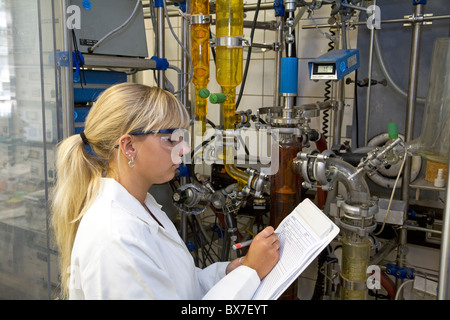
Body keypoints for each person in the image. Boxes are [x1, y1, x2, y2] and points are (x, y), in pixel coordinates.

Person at [51, 83, 280, 299]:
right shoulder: (115, 236)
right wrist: (250, 272)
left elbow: (181, 286)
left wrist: (234, 270)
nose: (185, 149)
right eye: (171, 139)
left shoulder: (144, 205)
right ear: (129, 146)